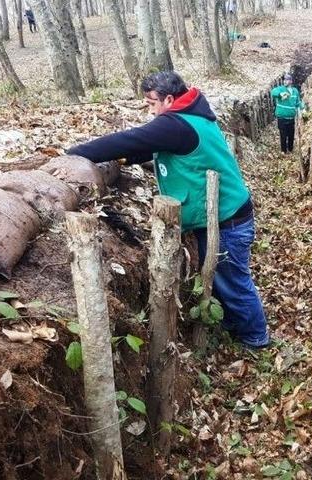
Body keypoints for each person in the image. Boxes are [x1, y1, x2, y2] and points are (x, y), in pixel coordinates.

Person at [67, 71, 270, 350]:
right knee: (227, 279)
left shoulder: (177, 125)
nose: (150, 111)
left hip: (228, 220)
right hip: (225, 213)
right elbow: (156, 148)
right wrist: (128, 159)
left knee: (233, 281)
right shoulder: (192, 115)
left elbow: (132, 139)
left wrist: (75, 153)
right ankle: (238, 324)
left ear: (169, 99)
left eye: (152, 103)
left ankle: (255, 338)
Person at [270, 74, 305, 154]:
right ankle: (283, 151)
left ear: (291, 81)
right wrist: (280, 94)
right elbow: (273, 92)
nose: (285, 81)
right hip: (281, 117)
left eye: (287, 80)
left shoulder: (295, 91)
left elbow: (298, 102)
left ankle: (290, 149)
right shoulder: (281, 89)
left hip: (291, 118)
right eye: (284, 80)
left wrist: (303, 108)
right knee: (283, 134)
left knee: (291, 135)